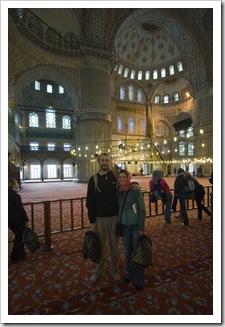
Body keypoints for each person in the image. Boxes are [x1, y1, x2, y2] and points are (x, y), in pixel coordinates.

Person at [86, 153, 139, 283]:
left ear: (110, 162)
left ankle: (114, 270)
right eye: (102, 160)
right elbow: (89, 201)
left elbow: (125, 183)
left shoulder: (114, 176)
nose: (105, 162)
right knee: (100, 246)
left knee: (114, 246)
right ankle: (98, 270)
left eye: (107, 160)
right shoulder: (94, 179)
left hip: (114, 218)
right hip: (99, 219)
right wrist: (92, 221)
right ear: (99, 162)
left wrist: (135, 184)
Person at [117, 169, 146, 291]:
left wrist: (141, 228)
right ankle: (130, 273)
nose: (122, 179)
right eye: (120, 177)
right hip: (124, 226)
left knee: (137, 252)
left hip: (135, 226)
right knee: (128, 252)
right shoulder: (117, 192)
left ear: (128, 177)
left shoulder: (135, 190)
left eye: (124, 177)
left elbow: (142, 210)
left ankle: (139, 279)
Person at [8, 178, 29, 262]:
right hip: (15, 220)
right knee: (20, 236)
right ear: (13, 185)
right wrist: (26, 221)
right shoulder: (16, 196)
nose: (18, 184)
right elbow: (20, 210)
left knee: (18, 235)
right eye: (16, 182)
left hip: (9, 219)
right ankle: (17, 255)